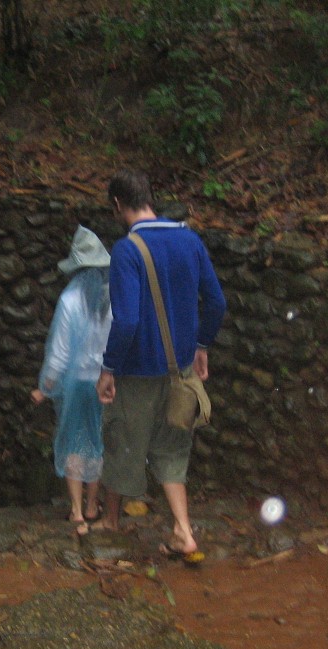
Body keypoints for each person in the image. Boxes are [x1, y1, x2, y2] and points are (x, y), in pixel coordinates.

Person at [95, 169, 226, 559]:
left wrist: (108, 368)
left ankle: (111, 521)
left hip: (137, 372)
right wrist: (202, 344)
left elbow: (129, 320)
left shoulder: (126, 251)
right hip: (181, 370)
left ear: (118, 205)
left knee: (122, 440)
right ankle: (183, 531)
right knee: (172, 449)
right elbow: (216, 302)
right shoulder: (190, 240)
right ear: (149, 197)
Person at [32, 225, 113, 533]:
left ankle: (77, 511)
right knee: (97, 441)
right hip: (105, 381)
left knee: (72, 443)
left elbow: (59, 352)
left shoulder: (69, 300)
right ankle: (93, 505)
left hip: (77, 383)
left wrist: (46, 387)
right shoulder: (111, 300)